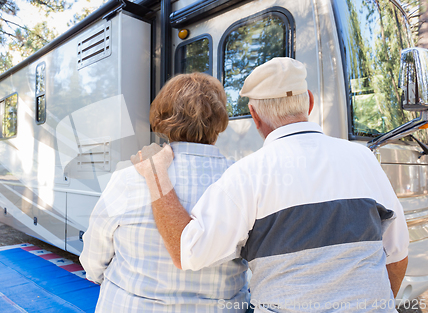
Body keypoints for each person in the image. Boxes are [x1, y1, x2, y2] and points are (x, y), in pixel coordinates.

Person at [131, 57, 409, 312]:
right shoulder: (363, 158)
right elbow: (397, 257)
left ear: (255, 115)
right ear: (309, 102)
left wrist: (157, 177)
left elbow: (187, 252)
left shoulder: (247, 174)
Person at [79, 73, 250, 312]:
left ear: (162, 118)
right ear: (220, 120)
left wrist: (102, 277)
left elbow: (94, 255)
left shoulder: (129, 177)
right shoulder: (242, 179)